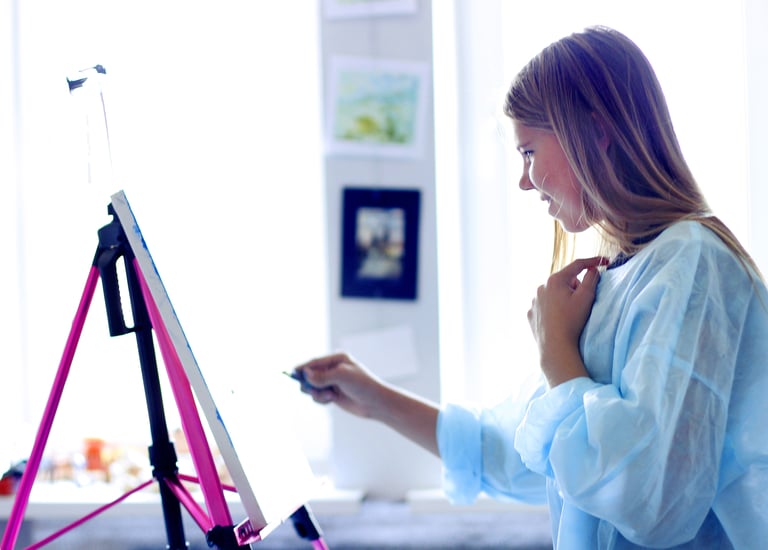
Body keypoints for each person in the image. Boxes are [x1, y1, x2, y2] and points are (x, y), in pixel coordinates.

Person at [291, 26, 768, 549]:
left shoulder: (693, 265)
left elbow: (648, 500)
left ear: (595, 131)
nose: (524, 180)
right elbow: (518, 454)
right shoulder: (623, 276)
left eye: (528, 152)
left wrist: (556, 349)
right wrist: (375, 398)